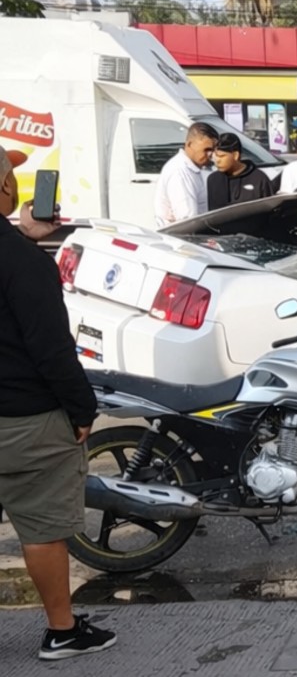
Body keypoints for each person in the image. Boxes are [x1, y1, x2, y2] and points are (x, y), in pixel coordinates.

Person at [0, 144, 117, 660]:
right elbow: (49, 347)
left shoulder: (18, 252)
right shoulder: (22, 261)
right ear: (7, 188)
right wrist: (82, 409)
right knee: (41, 528)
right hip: (24, 417)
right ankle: (62, 630)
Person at [154, 121, 217, 228]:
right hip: (182, 235)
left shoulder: (190, 169)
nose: (210, 154)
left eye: (213, 150)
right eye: (207, 149)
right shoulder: (180, 172)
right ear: (189, 144)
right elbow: (187, 219)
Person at [207, 133, 275, 211]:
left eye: (222, 156)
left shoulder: (259, 178)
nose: (217, 160)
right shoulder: (213, 180)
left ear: (235, 155)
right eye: (216, 156)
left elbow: (270, 210)